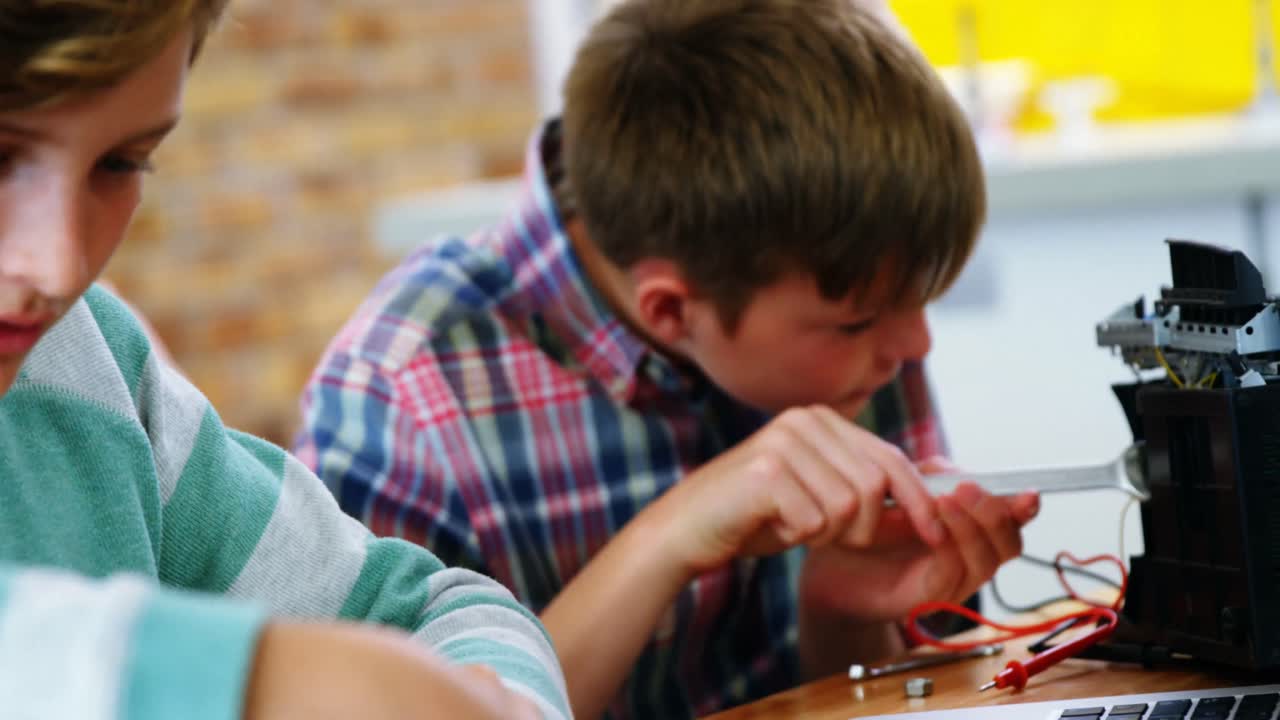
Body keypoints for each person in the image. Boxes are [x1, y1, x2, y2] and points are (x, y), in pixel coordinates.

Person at [296, 1, 1037, 717]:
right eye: (861, 321)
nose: (915, 346)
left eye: (918, 301)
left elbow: (907, 691)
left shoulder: (843, 293)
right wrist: (671, 537)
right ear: (672, 311)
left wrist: (840, 615)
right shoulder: (401, 402)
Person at [0, 2, 569, 718]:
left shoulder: (94, 365)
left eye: (120, 163)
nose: (56, 266)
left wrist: (505, 704)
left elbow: (435, 612)